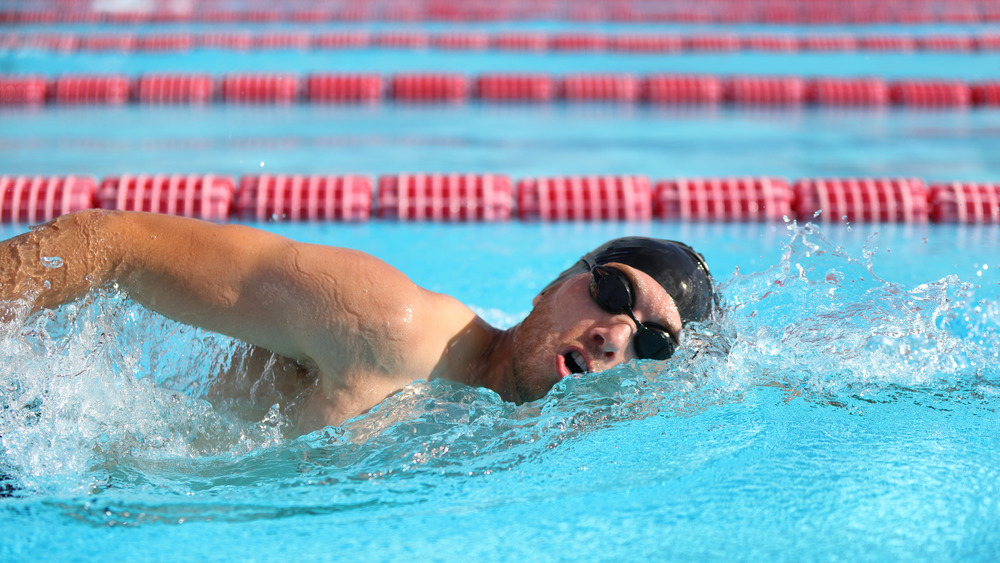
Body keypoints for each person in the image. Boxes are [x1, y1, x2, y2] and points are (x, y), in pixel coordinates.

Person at [0, 210, 715, 434]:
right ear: (555, 283)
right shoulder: (388, 325)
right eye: (614, 293)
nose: (616, 334)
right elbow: (109, 244)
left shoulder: (568, 438)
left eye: (652, 343)